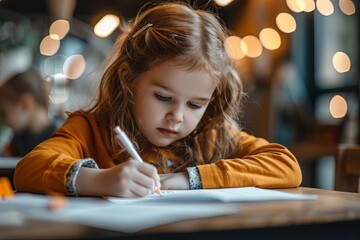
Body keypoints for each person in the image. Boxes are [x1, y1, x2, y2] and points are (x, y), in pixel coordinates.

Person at [14, 2, 302, 197]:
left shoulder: (212, 136)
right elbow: (29, 168)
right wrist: (100, 180)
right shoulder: (90, 129)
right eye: (163, 97)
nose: (177, 116)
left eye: (195, 105)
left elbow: (286, 166)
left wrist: (191, 179)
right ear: (128, 78)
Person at [0, 68, 58, 157]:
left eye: (5, 113)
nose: (4, 120)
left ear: (25, 104)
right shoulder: (18, 138)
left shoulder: (56, 140)